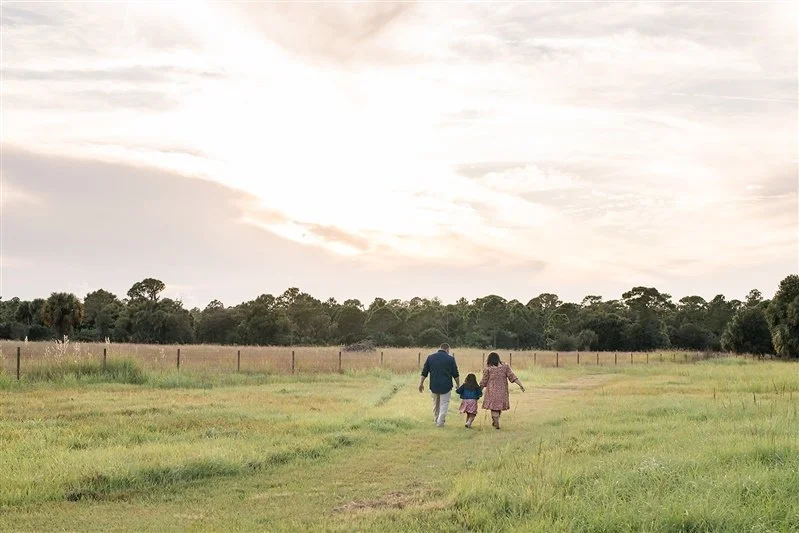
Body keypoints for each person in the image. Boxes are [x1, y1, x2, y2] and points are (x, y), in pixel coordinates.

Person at [479, 352, 525, 430]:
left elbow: (483, 381)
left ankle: (496, 422)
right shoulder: (505, 367)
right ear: (498, 359)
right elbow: (512, 376)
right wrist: (520, 385)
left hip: (491, 392)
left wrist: (478, 391)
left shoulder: (488, 369)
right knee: (498, 407)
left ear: (489, 360)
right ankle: (496, 421)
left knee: (494, 408)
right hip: (502, 392)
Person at [419, 343, 460, 427]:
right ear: (447, 350)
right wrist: (458, 385)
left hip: (434, 385)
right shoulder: (450, 359)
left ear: (440, 348)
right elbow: (455, 374)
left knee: (436, 404)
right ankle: (440, 422)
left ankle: (436, 419)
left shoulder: (430, 357)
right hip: (446, 386)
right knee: (444, 404)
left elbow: (424, 372)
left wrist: (421, 384)